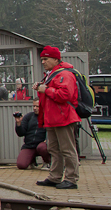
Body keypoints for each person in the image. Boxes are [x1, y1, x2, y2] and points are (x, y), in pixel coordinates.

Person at [34, 46, 81, 190]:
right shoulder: (52, 74)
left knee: (67, 149)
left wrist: (46, 89)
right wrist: (42, 88)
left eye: (46, 59)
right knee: (54, 149)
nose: (43, 62)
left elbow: (65, 95)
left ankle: (71, 179)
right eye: (42, 59)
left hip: (63, 117)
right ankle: (55, 176)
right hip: (53, 118)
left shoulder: (64, 74)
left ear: (55, 59)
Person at [14, 101, 50, 169]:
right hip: (29, 145)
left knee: (42, 148)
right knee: (21, 165)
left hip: (42, 145)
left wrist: (47, 140)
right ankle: (32, 160)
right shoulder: (28, 116)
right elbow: (21, 133)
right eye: (34, 106)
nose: (35, 108)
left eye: (37, 106)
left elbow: (51, 131)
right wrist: (18, 123)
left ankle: (47, 162)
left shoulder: (47, 117)